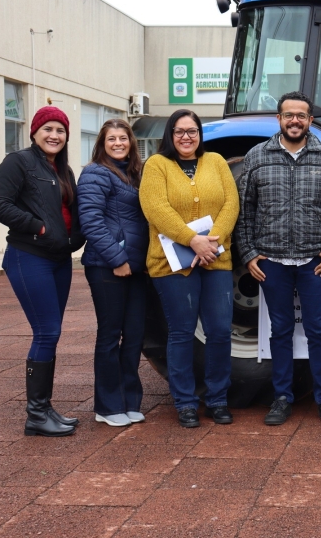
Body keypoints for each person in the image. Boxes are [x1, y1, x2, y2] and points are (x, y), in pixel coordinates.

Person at [236, 91, 321, 427]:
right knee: (281, 331)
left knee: (317, 330)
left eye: (302, 115)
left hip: (315, 261)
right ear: (279, 119)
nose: (295, 121)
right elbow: (246, 212)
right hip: (271, 262)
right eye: (289, 115)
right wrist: (249, 253)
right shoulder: (257, 157)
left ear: (310, 121)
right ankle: (282, 397)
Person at [0, 106, 86, 437]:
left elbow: (72, 211)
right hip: (28, 255)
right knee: (47, 331)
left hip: (59, 260)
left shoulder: (63, 170)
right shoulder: (18, 162)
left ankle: (44, 410)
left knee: (52, 332)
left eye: (60, 130)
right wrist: (40, 229)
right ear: (34, 132)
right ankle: (36, 415)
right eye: (48, 129)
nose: (54, 135)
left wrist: (74, 239)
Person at [140, 109, 239, 428]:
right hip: (171, 266)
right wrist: (192, 240)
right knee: (181, 333)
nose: (186, 137)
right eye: (180, 131)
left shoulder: (217, 162)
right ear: (170, 135)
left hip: (216, 260)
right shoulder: (156, 165)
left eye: (192, 131)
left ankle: (218, 399)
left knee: (220, 331)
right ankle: (184, 402)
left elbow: (231, 204)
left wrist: (212, 241)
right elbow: (156, 208)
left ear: (200, 134)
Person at [78, 119, 149, 428]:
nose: (118, 143)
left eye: (123, 138)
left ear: (131, 142)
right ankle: (107, 406)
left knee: (134, 335)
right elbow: (90, 221)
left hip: (136, 267)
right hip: (107, 266)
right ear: (102, 144)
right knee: (110, 335)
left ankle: (129, 401)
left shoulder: (134, 175)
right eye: (112, 139)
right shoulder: (95, 173)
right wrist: (117, 258)